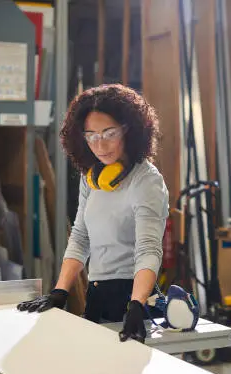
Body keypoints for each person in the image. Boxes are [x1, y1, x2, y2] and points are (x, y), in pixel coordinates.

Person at [17, 83, 169, 343]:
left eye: (109, 133)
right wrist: (60, 291)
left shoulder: (146, 181)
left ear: (130, 129)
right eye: (91, 135)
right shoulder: (92, 178)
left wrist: (136, 305)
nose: (100, 145)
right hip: (97, 294)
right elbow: (80, 237)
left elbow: (148, 249)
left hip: (133, 297)